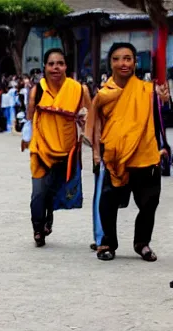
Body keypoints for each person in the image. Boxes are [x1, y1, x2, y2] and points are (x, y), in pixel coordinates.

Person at [86, 43, 170, 262]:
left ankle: (142, 242)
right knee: (108, 203)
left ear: (135, 62)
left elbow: (165, 119)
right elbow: (95, 128)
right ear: (110, 63)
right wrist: (97, 154)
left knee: (149, 203)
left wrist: (165, 101)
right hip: (114, 158)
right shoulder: (103, 95)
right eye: (117, 59)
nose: (122, 63)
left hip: (145, 155)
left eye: (127, 58)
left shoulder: (148, 90)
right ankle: (107, 242)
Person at [26, 48, 91, 247]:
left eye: (60, 63)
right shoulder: (37, 91)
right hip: (41, 148)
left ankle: (48, 219)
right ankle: (38, 229)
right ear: (44, 67)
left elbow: (91, 114)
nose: (56, 68)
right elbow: (29, 117)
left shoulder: (79, 89)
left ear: (66, 66)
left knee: (52, 190)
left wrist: (84, 123)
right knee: (38, 191)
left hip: (66, 150)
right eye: (51, 64)